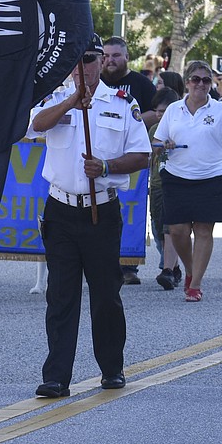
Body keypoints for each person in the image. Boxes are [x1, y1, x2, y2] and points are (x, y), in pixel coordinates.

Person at [29, 34, 150, 398]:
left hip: (102, 209)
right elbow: (35, 126)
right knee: (61, 295)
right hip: (61, 210)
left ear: (101, 62)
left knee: (105, 294)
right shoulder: (55, 100)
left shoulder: (121, 104)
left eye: (90, 58)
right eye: (77, 60)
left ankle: (111, 368)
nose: (84, 66)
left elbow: (142, 154)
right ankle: (56, 377)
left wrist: (108, 165)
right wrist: (70, 101)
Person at [153, 60, 222, 302]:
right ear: (187, 81)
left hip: (213, 176)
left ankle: (195, 284)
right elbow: (157, 143)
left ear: (211, 84)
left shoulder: (220, 109)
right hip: (177, 176)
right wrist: (163, 145)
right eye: (196, 79)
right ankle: (190, 270)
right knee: (178, 231)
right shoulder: (173, 110)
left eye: (206, 80)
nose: (201, 84)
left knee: (203, 229)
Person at [101, 35, 157, 285]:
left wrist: (124, 123)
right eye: (106, 56)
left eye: (115, 55)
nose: (109, 60)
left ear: (126, 57)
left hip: (132, 159)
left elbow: (157, 114)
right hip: (99, 158)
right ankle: (101, 262)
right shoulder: (95, 82)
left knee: (130, 211)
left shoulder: (141, 84)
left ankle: (129, 265)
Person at [149, 89, 182, 290]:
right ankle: (175, 268)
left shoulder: (181, 128)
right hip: (156, 184)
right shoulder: (153, 129)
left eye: (165, 111)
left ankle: (167, 270)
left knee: (170, 227)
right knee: (158, 229)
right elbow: (150, 155)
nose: (161, 115)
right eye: (158, 111)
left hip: (176, 183)